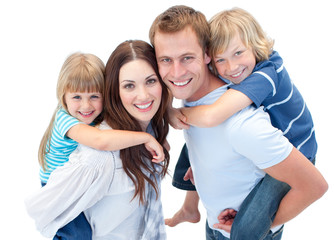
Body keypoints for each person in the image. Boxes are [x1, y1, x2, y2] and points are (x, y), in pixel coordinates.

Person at [149, 5, 328, 240]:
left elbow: (315, 186)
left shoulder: (244, 121)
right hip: (216, 224)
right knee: (189, 155)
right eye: (166, 60)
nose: (177, 71)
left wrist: (260, 225)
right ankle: (190, 209)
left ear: (206, 55)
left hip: (242, 227)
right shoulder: (197, 88)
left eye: (187, 58)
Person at [25, 40, 170, 239]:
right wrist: (144, 138)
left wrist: (170, 113)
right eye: (129, 85)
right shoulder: (89, 147)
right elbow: (100, 140)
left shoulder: (139, 123)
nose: (86, 106)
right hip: (55, 186)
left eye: (94, 96)